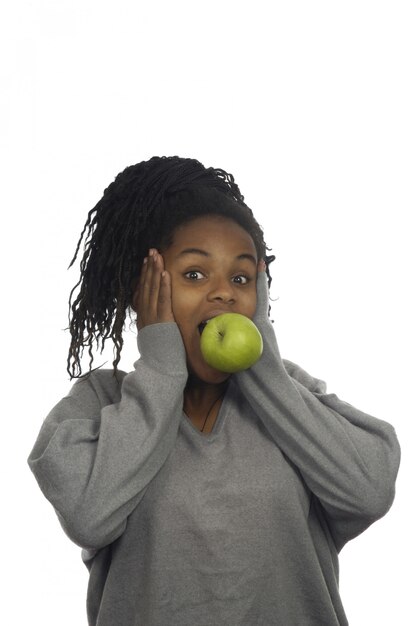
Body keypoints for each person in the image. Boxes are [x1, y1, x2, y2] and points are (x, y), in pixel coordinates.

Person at [28, 156, 400, 626]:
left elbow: (368, 491)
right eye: (195, 274)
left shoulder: (287, 394)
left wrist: (263, 367)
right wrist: (162, 369)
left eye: (241, 278)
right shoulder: (100, 403)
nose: (224, 293)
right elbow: (88, 516)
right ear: (141, 291)